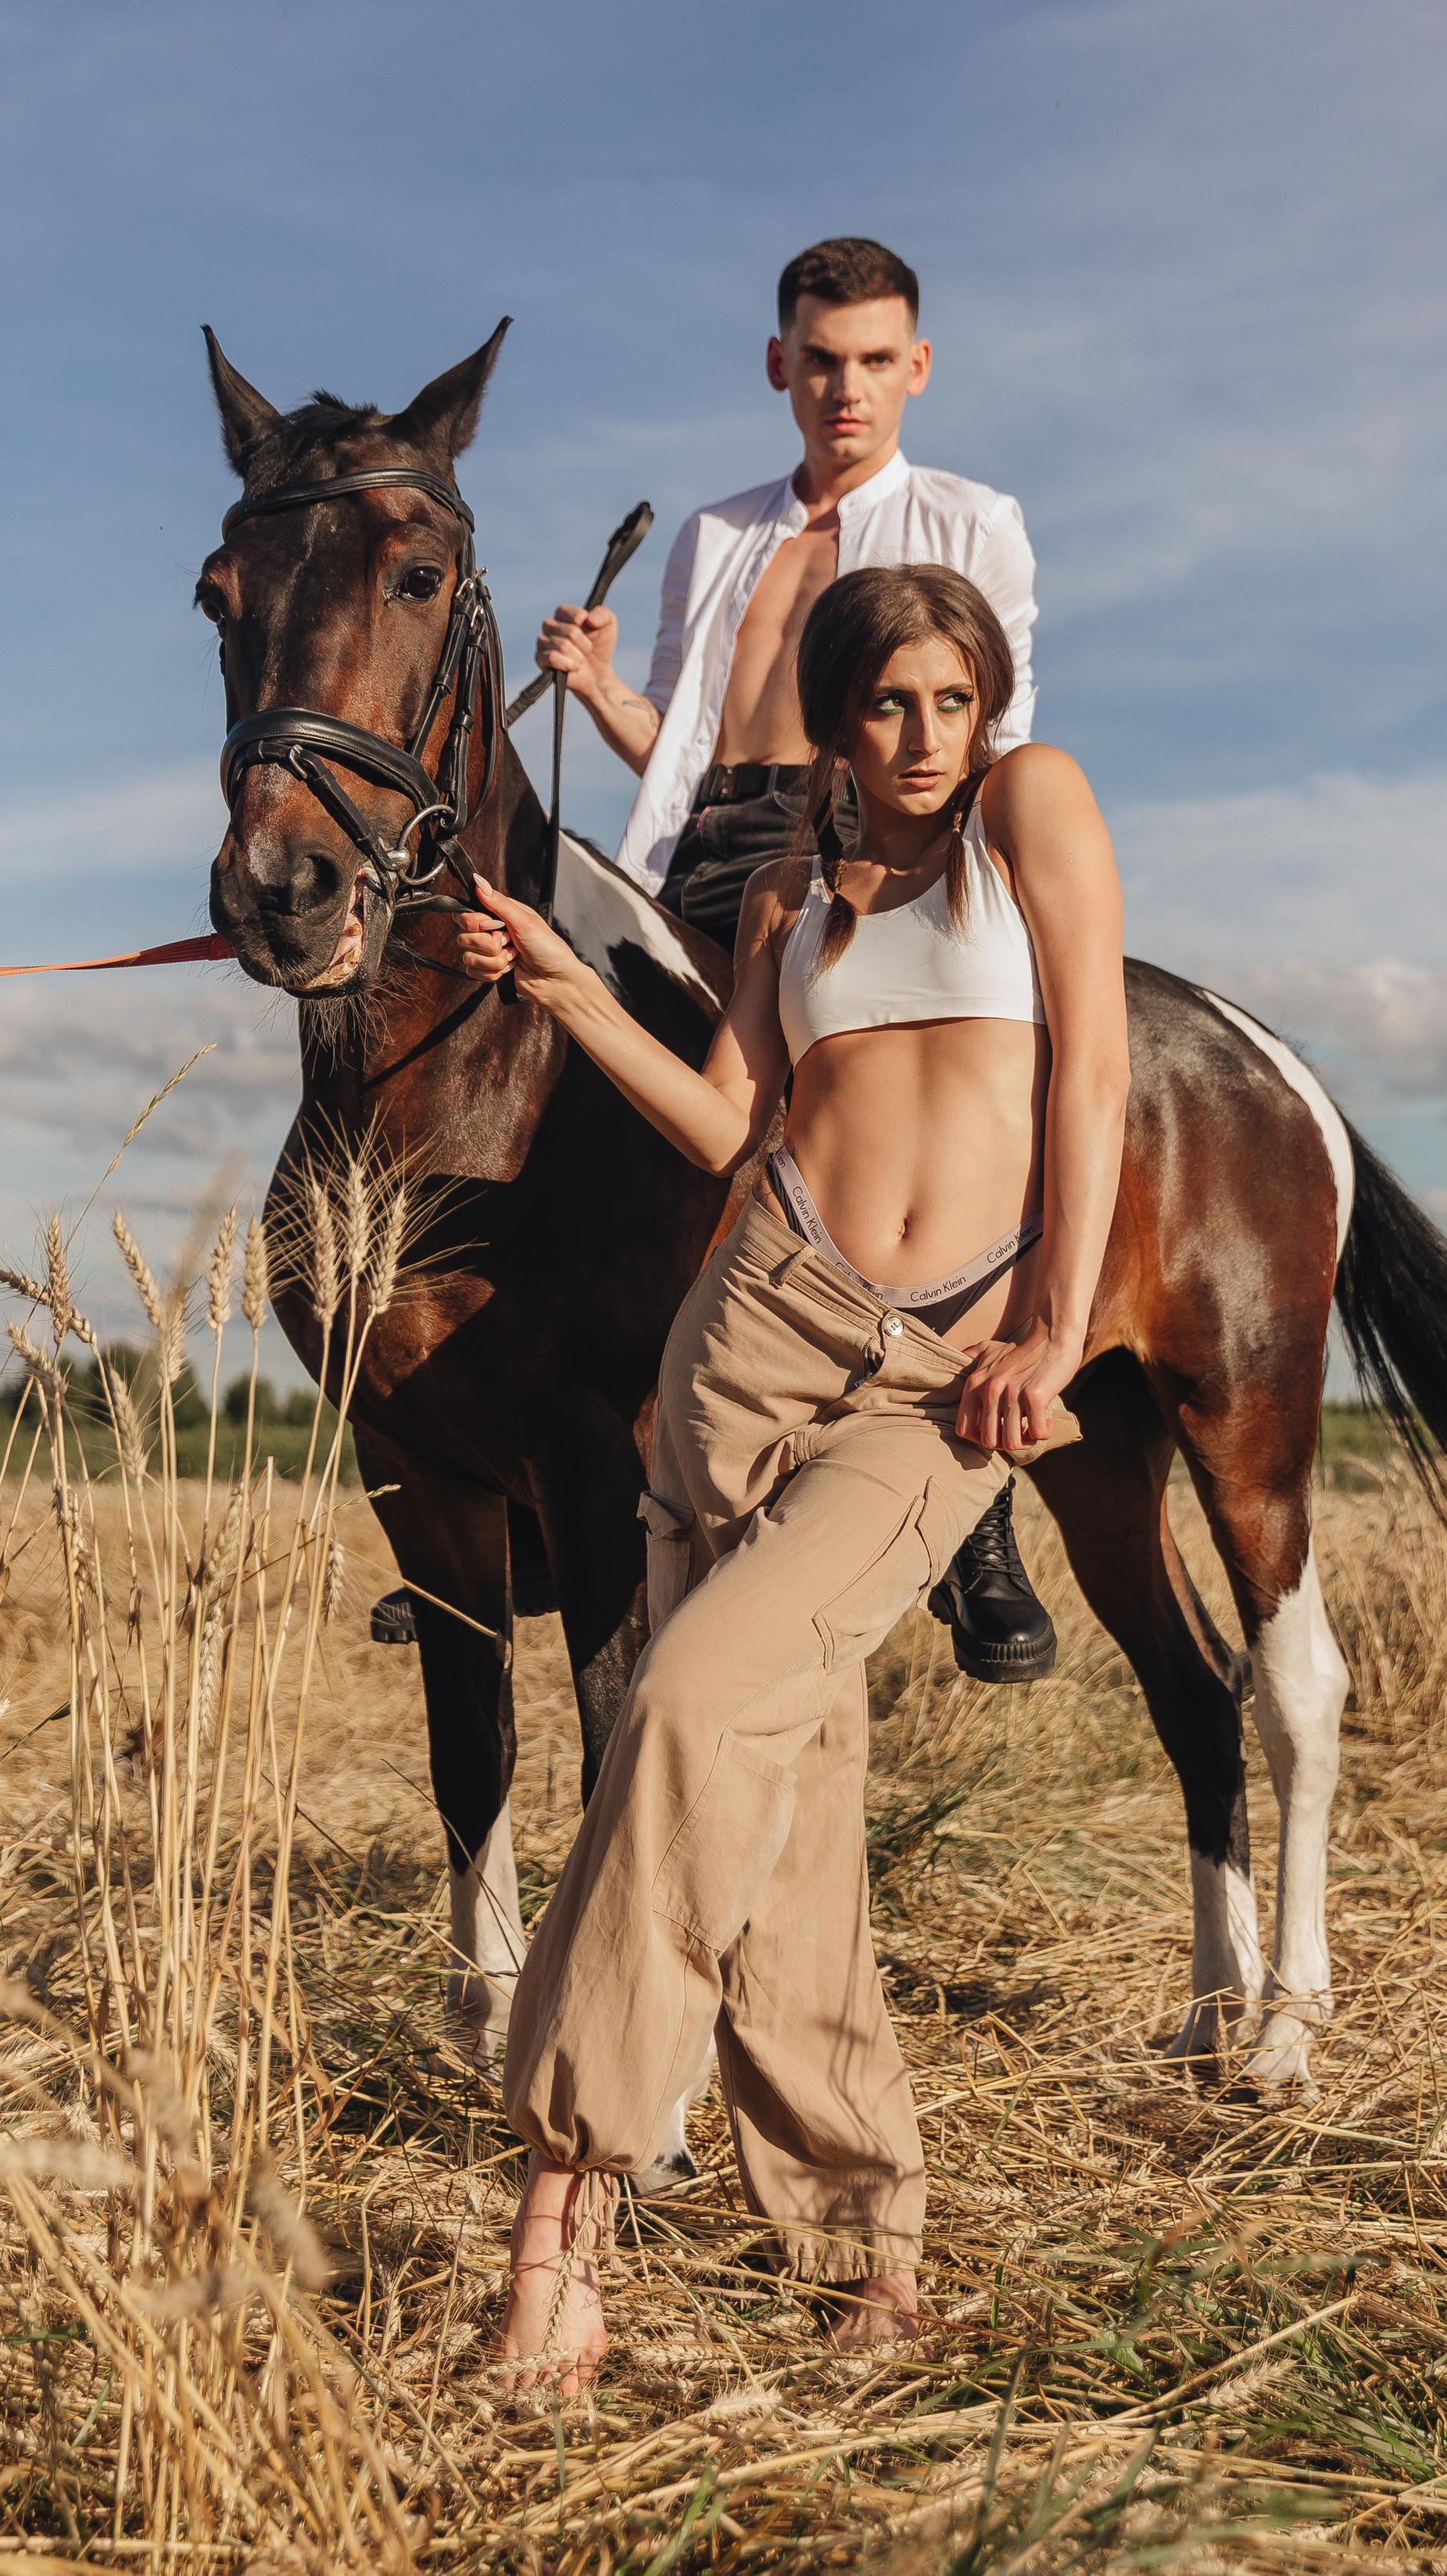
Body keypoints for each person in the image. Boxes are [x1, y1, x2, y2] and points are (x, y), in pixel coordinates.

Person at [453, 563, 1130, 2387]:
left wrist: (1047, 1336)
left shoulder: (1029, 810)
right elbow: (729, 1130)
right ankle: (869, 2254)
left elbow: (1093, 1079)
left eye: (949, 702)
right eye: (887, 707)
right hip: (752, 1338)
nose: (924, 739)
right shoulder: (788, 893)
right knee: (783, 1786)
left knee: (678, 1705)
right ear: (835, 720)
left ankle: (555, 2220)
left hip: (934, 1383)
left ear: (986, 706)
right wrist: (565, 993)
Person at [534, 235, 1054, 1685]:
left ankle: (973, 1504)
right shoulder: (713, 535)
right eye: (821, 359)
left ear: (918, 370)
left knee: (865, 1120)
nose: (847, 388)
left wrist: (908, 872)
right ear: (780, 364)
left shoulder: (969, 518)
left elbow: (979, 724)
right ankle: (540, 1466)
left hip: (870, 836)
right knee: (541, 1073)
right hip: (699, 840)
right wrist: (599, 694)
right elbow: (689, 750)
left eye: (876, 360)